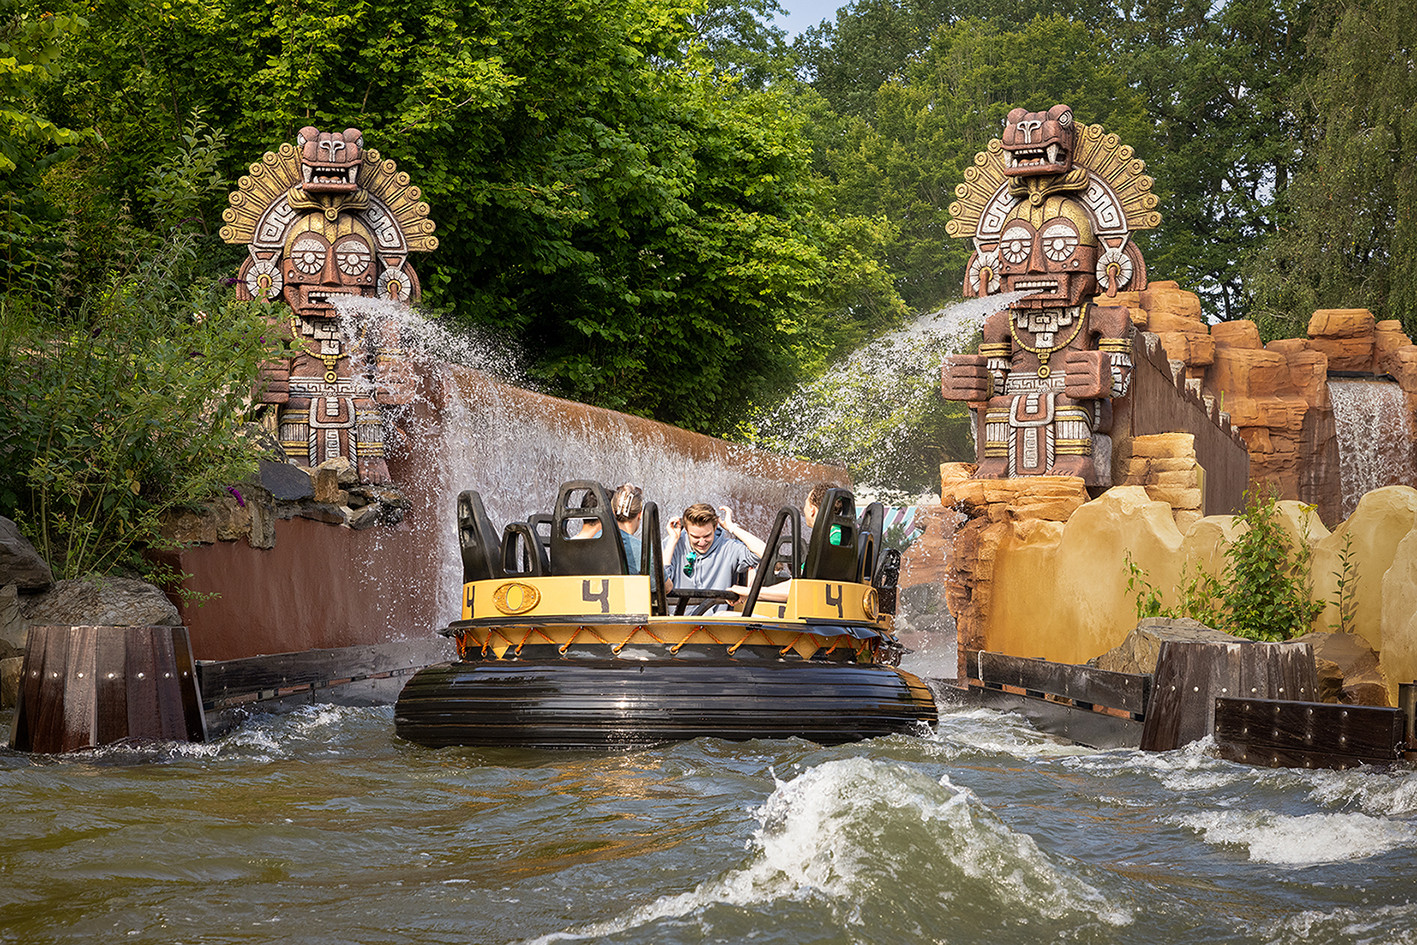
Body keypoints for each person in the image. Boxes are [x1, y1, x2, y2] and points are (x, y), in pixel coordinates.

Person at [664, 503, 761, 599]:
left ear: (715, 527)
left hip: (715, 614)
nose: (702, 542)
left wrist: (732, 527)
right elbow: (661, 585)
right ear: (686, 530)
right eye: (695, 537)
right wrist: (672, 541)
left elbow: (763, 553)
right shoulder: (672, 544)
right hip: (676, 614)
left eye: (707, 536)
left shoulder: (729, 548)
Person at [611, 483, 644, 573]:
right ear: (640, 514)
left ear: (613, 512)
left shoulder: (595, 541)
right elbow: (666, 586)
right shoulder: (642, 551)